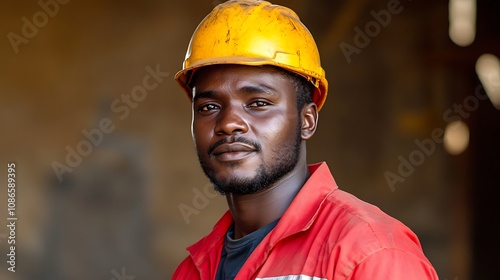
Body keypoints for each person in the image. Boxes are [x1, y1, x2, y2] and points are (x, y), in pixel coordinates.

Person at [172, 0, 439, 279]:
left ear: (307, 121)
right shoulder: (191, 271)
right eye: (208, 107)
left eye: (259, 103)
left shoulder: (371, 253)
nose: (228, 123)